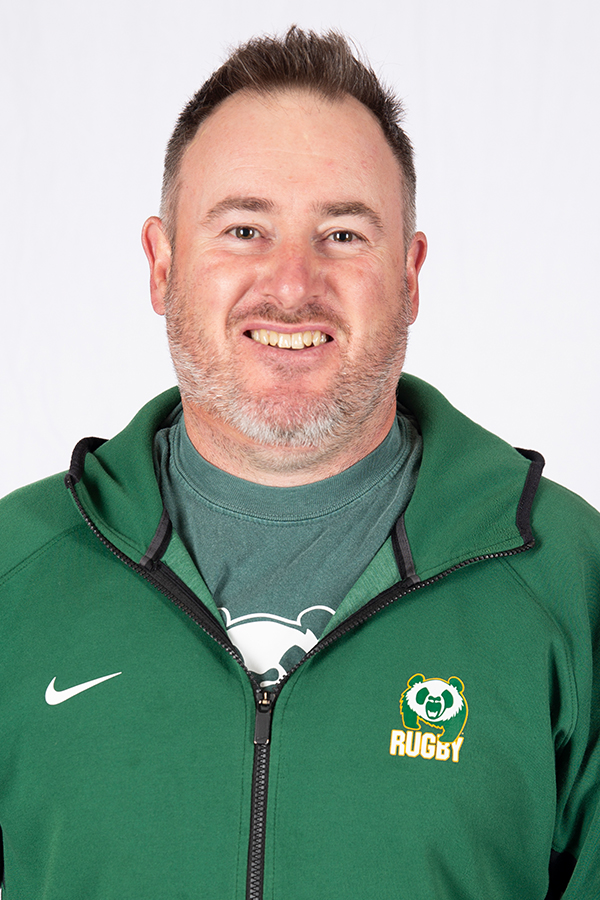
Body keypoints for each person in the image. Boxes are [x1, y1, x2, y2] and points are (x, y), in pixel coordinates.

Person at [0, 26, 598, 900]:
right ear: (162, 266)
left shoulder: (571, 580)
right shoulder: (15, 574)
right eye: (244, 229)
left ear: (410, 274)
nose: (290, 285)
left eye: (343, 235)